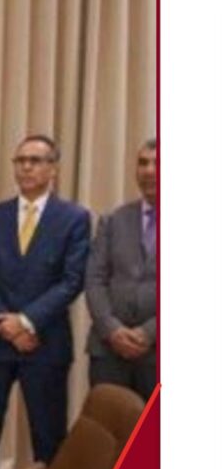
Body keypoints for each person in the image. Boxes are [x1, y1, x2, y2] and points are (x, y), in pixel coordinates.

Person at [0, 134, 90, 469]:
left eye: (35, 160)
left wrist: (25, 321)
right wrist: (6, 322)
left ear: (53, 169)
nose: (26, 167)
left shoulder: (74, 218)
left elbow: (72, 281)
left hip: (45, 342)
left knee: (48, 435)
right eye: (20, 160)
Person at [85, 138, 158, 400]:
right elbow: (95, 279)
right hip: (109, 351)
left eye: (157, 163)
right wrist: (112, 329)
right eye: (143, 163)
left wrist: (148, 333)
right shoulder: (113, 219)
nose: (149, 170)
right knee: (107, 423)